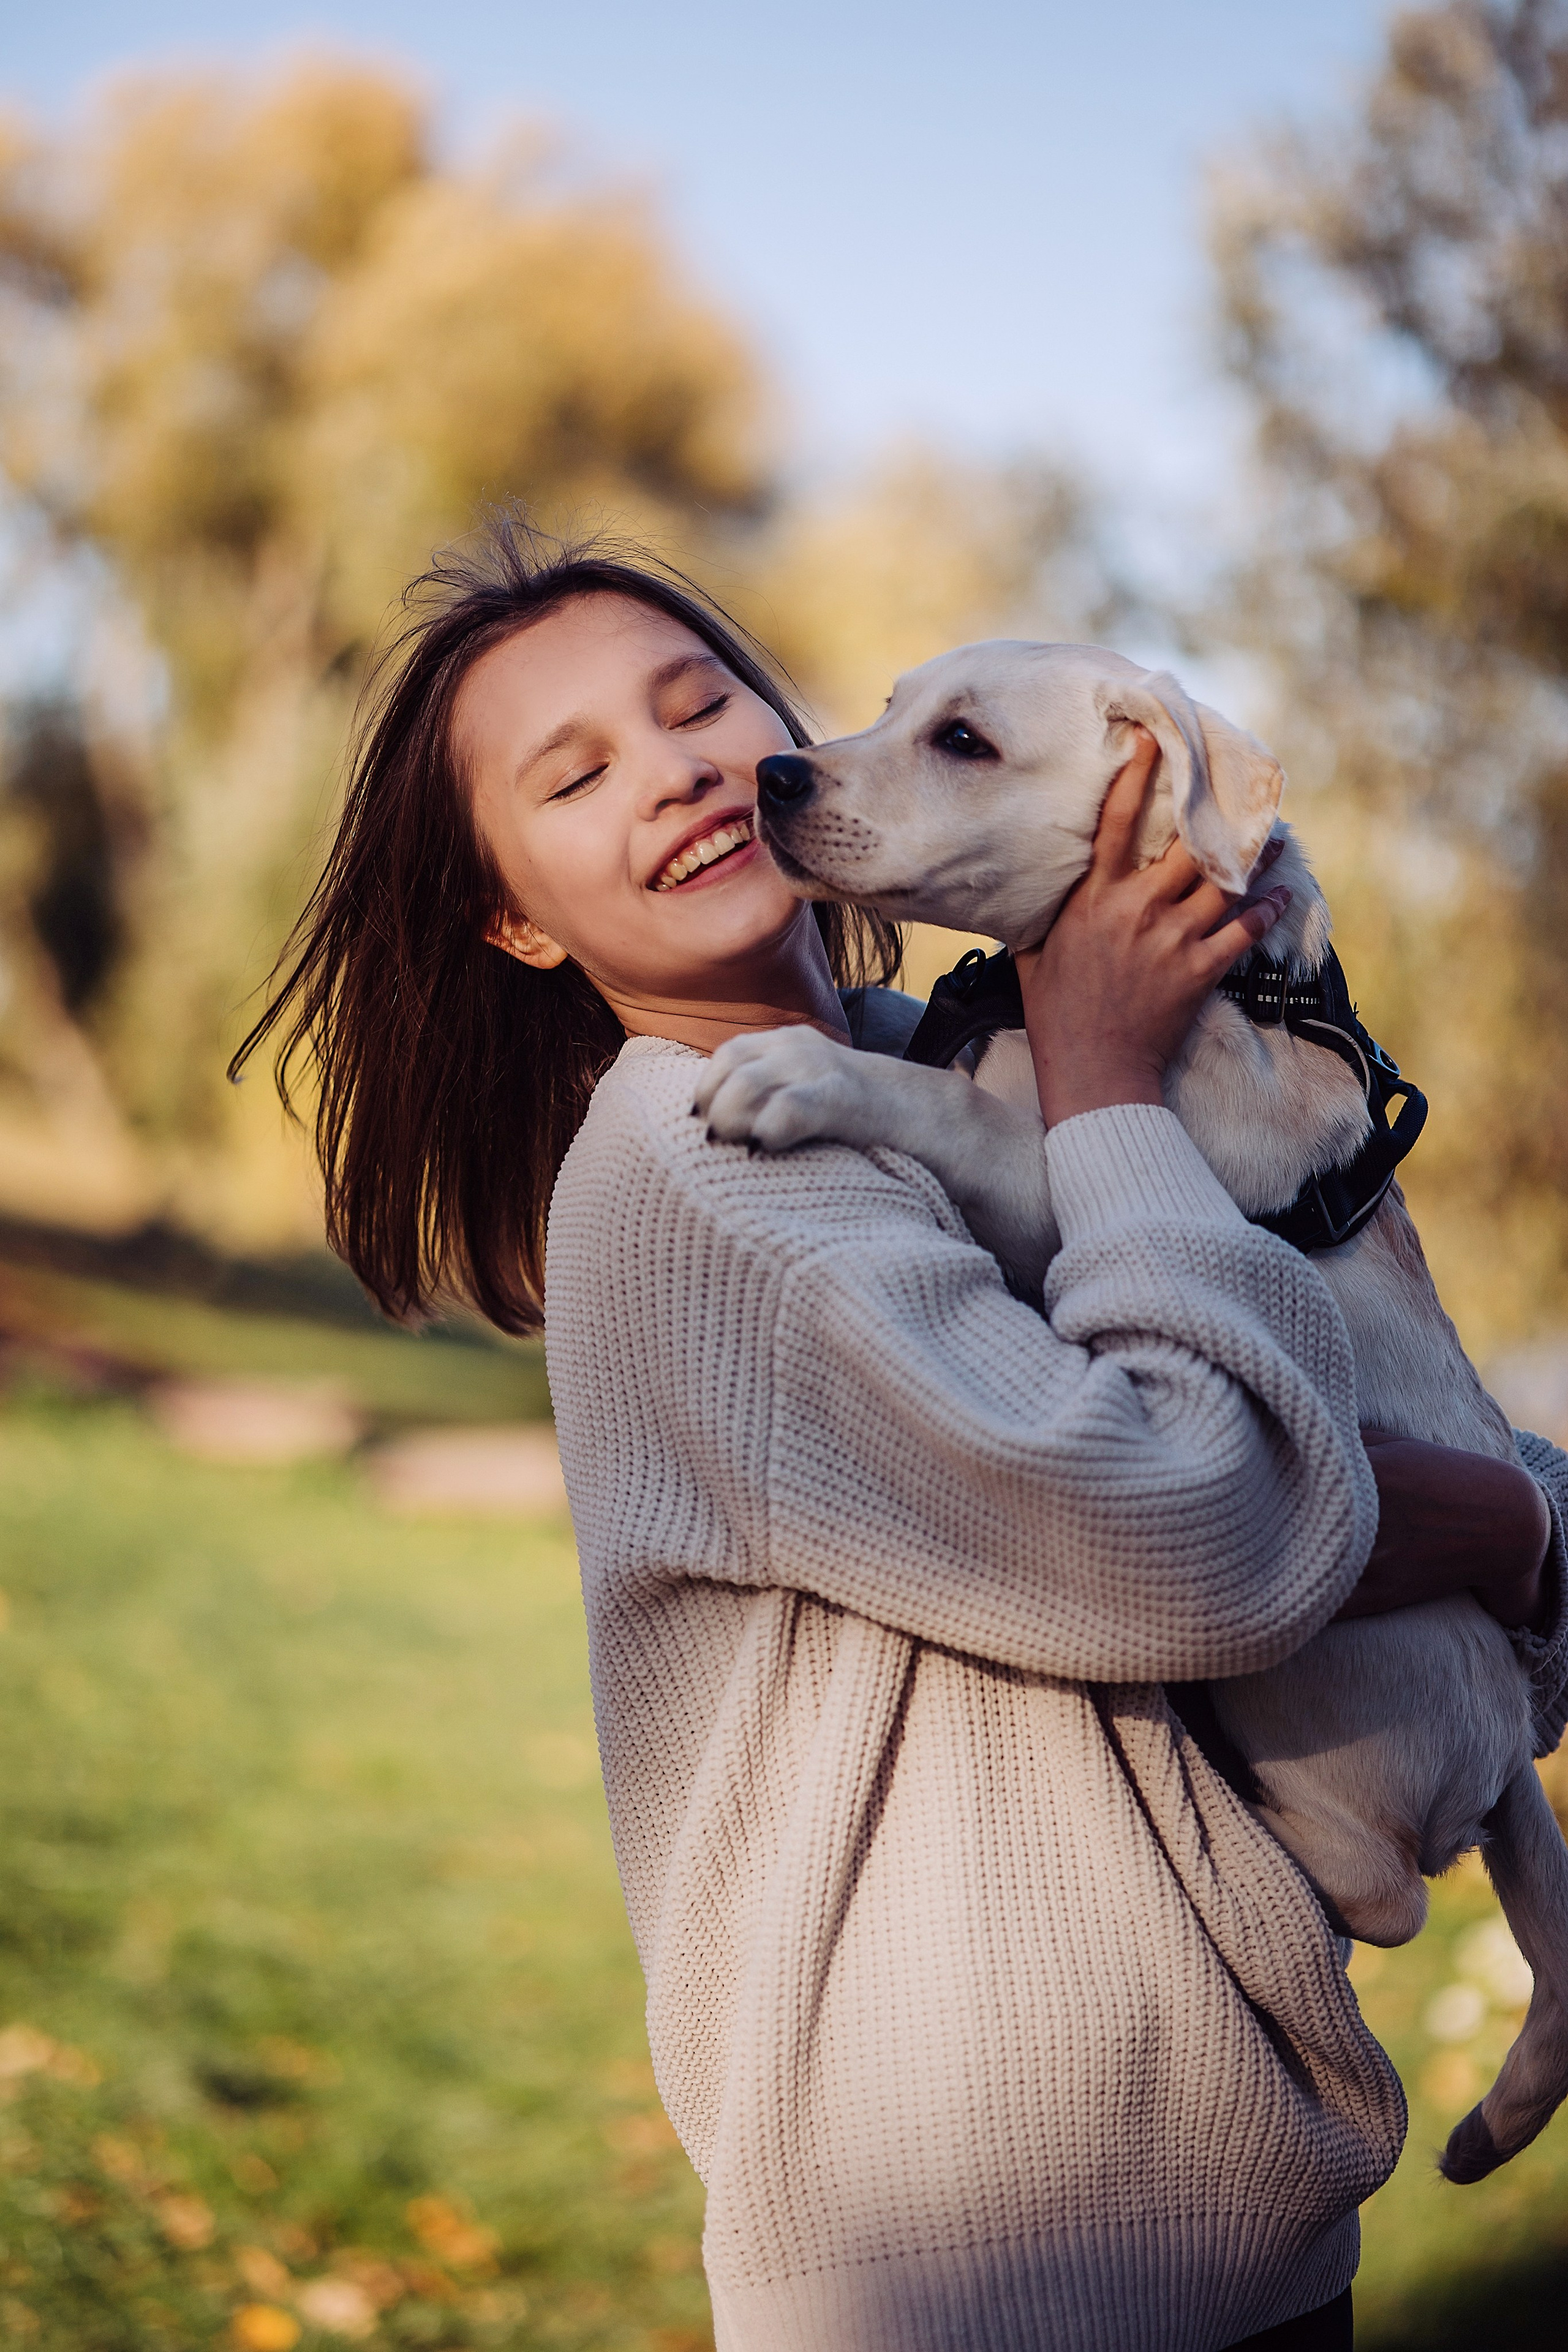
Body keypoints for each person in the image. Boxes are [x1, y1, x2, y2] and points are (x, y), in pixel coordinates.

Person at [235, 514, 1568, 2352]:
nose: (682, 768)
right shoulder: (721, 1184)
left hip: (1201, 2224)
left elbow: (1368, 1408)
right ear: (515, 913)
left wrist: (1520, 1542)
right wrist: (1508, 1539)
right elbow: (1207, 1533)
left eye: (702, 704)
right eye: (578, 773)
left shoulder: (925, 1070)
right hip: (985, 2268)